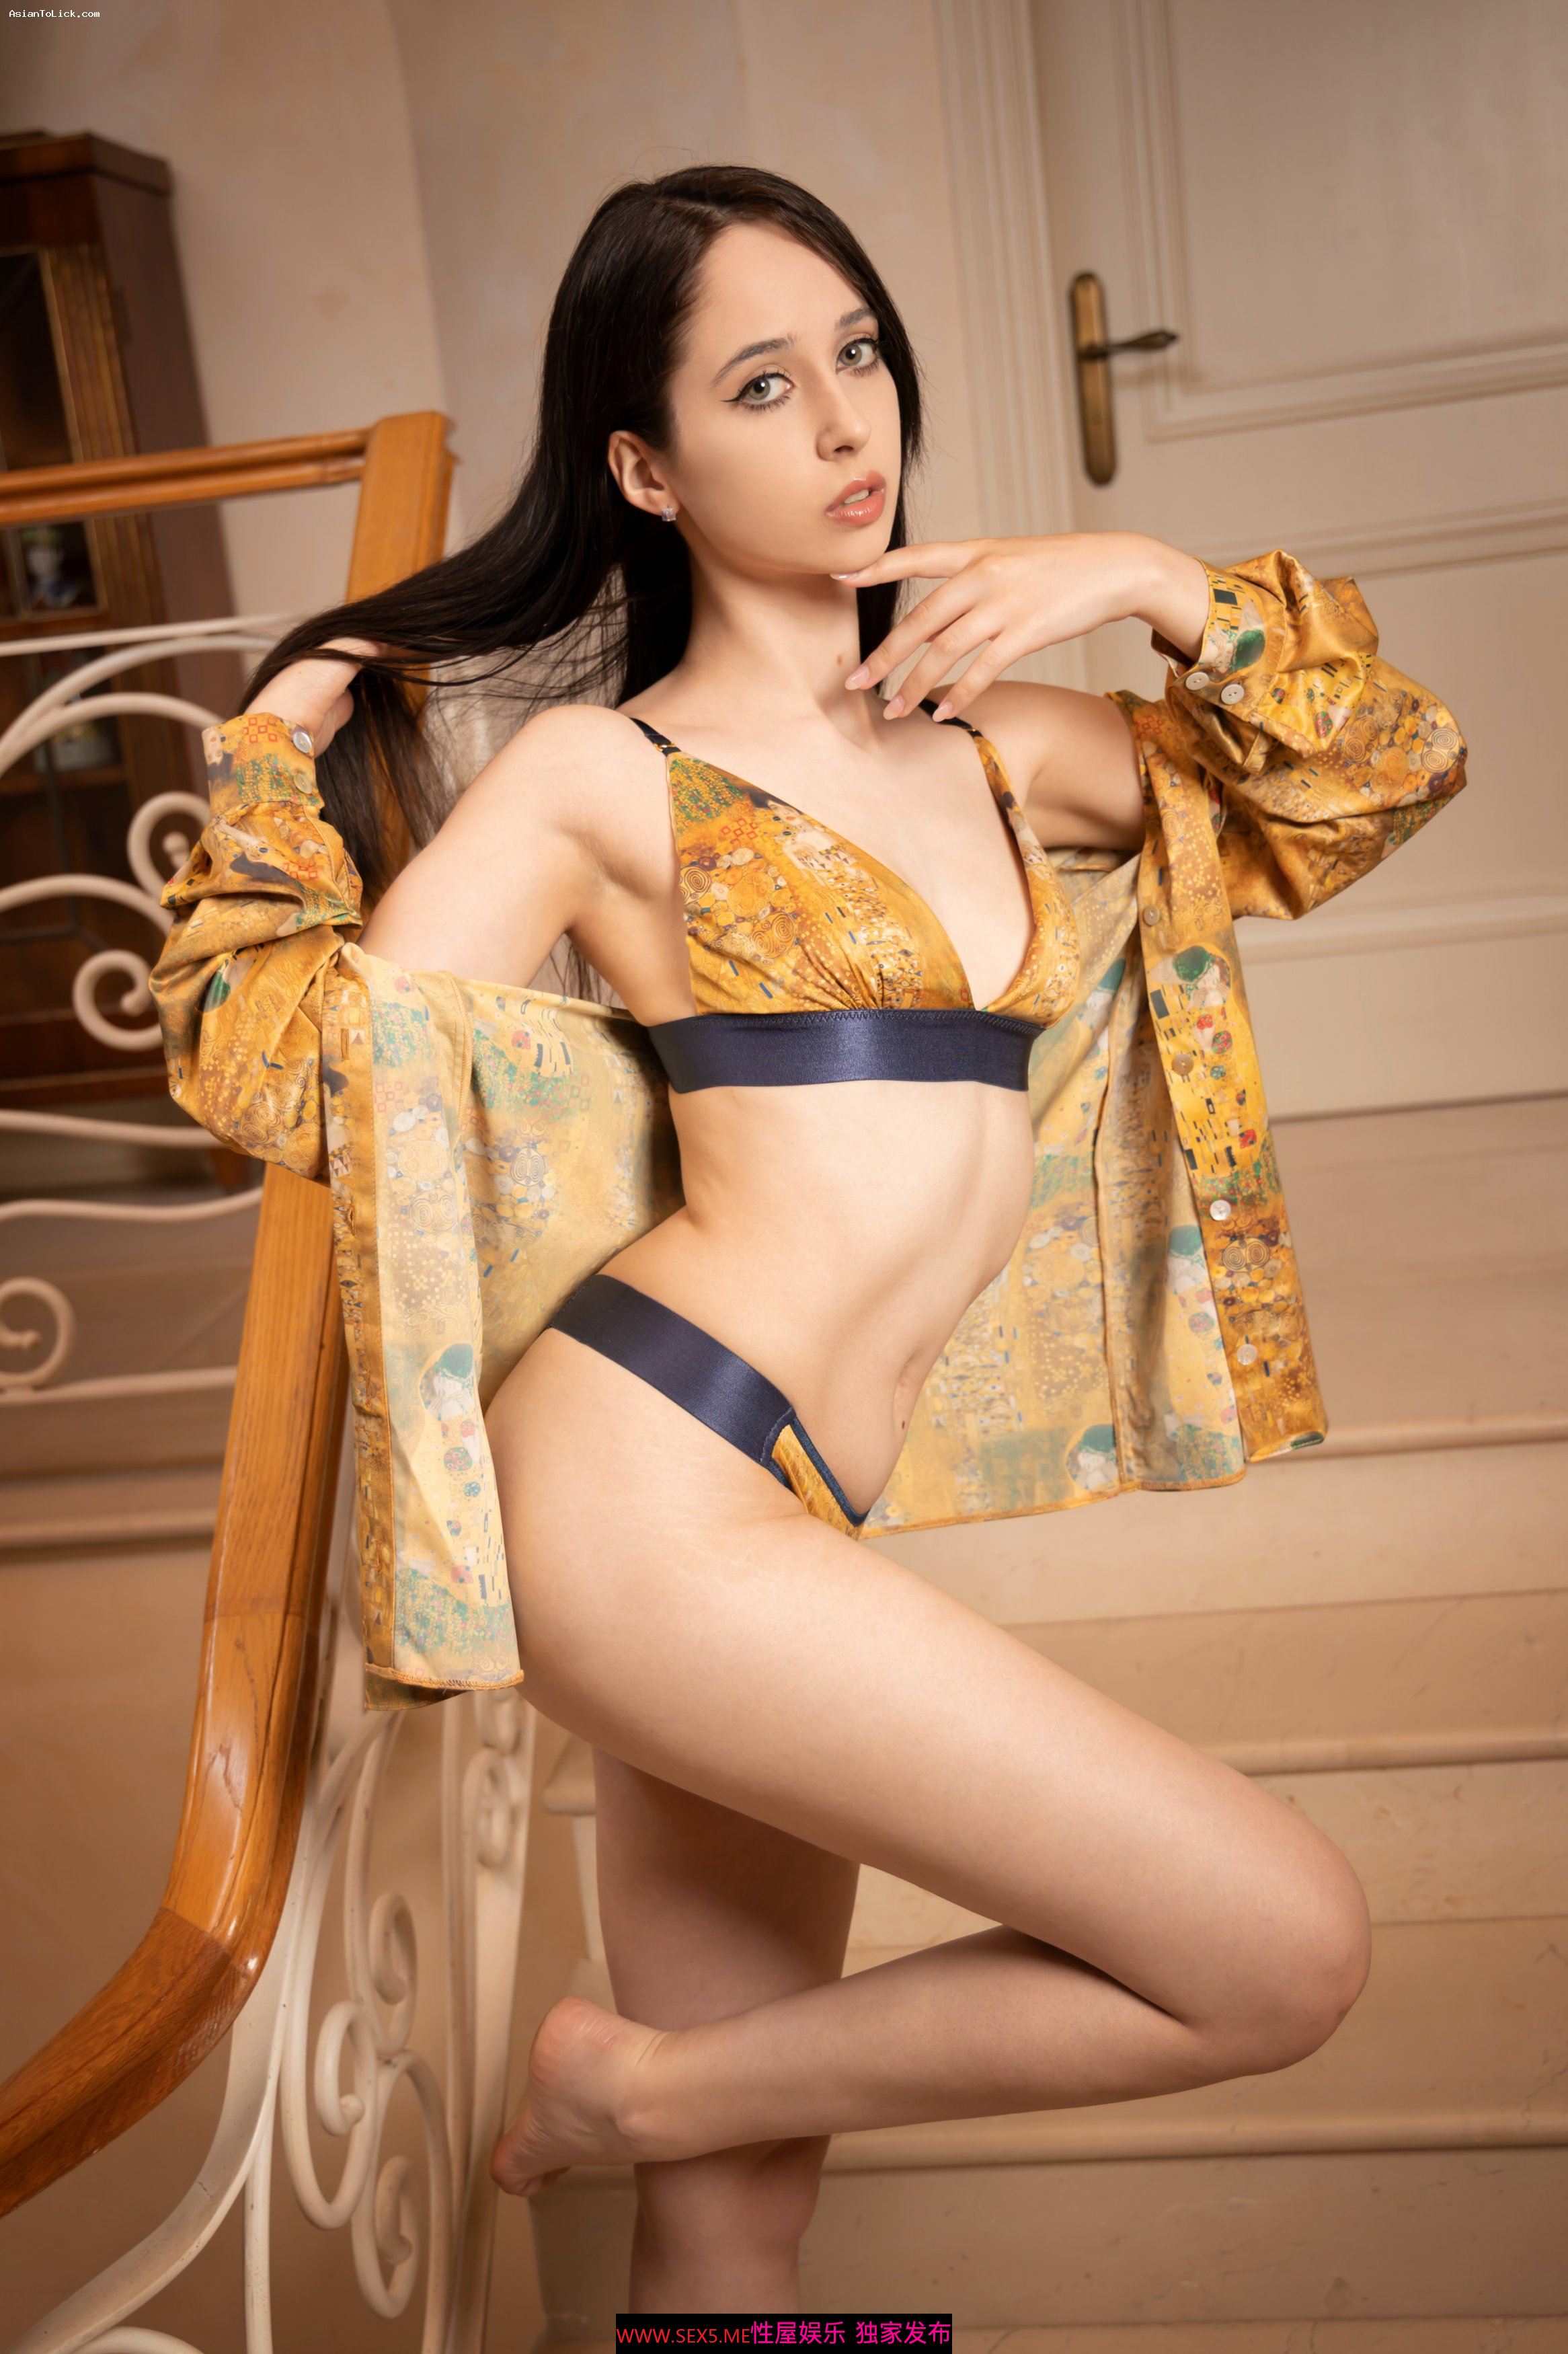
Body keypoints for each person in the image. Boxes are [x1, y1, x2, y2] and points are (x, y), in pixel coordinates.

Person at [150, 164, 1465, 2312]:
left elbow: (1376, 773)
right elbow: (288, 1071)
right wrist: (280, 740)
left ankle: (657, 2116)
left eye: (857, 354)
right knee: (1277, 1943)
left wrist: (1147, 578)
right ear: (645, 469)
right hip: (645, 1495)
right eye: (762, 385)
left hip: (776, 1509)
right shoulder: (599, 774)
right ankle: (621, 2087)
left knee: (743, 2218)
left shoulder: (1004, 745)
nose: (847, 420)